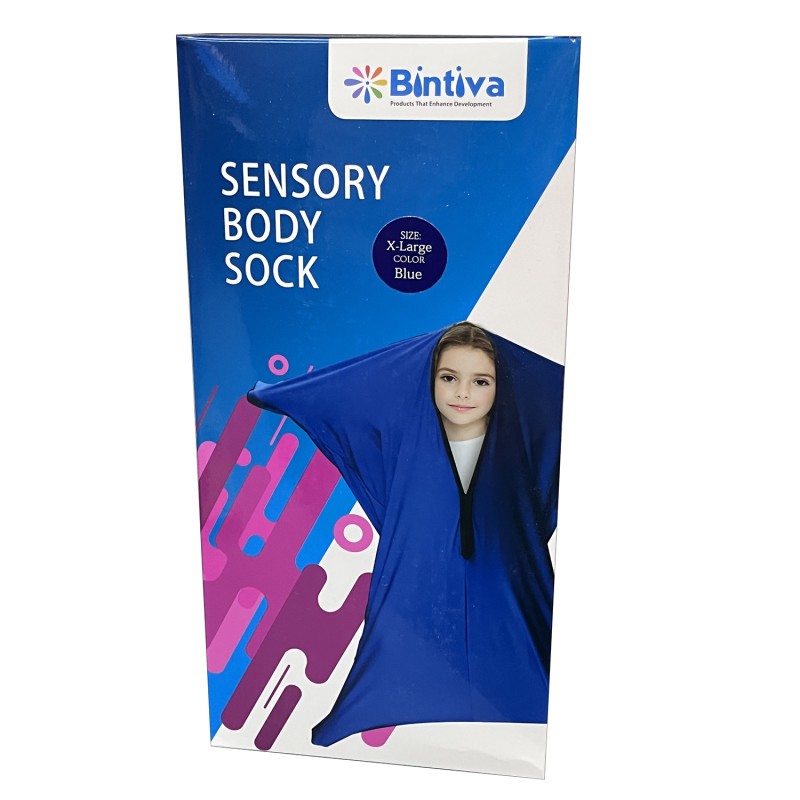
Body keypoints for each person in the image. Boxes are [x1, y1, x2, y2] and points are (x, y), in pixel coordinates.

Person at [244, 322, 564, 746]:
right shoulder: (408, 440)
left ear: (500, 386)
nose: (462, 393)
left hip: (506, 576)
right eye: (448, 378)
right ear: (429, 380)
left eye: (480, 381)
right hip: (417, 566)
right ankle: (372, 704)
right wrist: (284, 395)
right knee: (401, 634)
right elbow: (347, 394)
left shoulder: (518, 443)